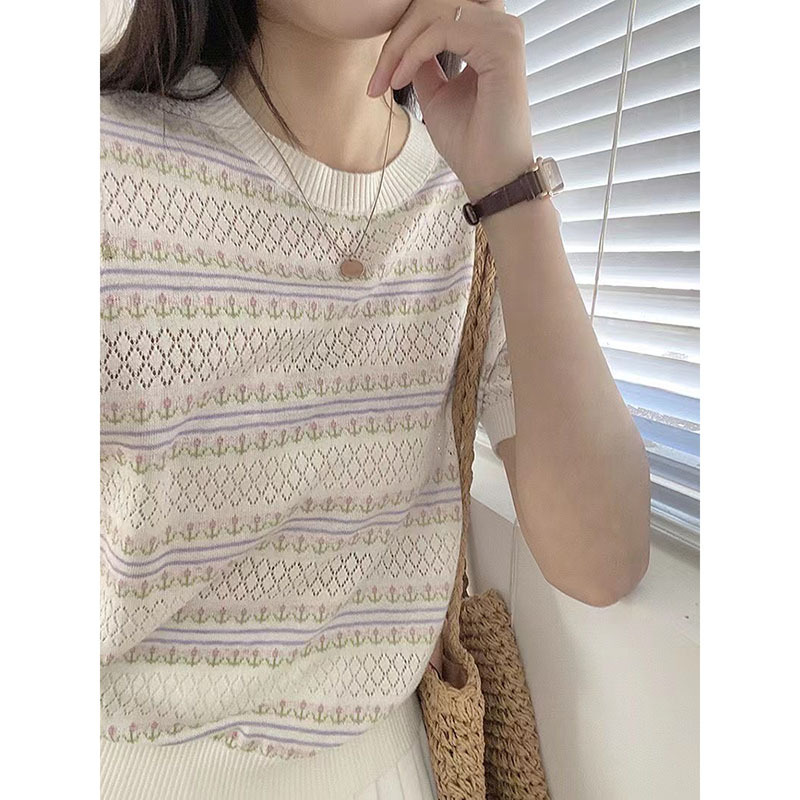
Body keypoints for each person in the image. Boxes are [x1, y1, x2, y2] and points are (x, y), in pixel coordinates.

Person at [99, 1, 652, 798]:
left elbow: (603, 562)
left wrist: (511, 190)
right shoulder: (100, 168)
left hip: (396, 766)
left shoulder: (470, 204)